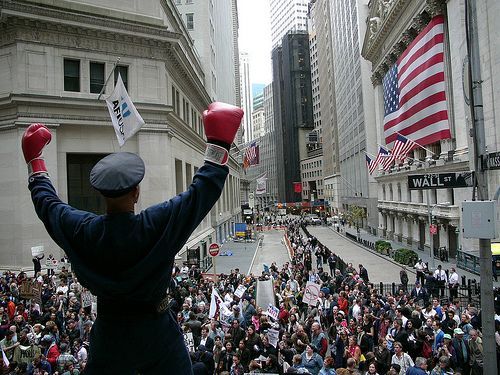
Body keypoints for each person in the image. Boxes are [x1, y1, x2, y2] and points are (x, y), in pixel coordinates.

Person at [22, 102, 243, 374]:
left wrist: (36, 162)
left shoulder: (83, 230)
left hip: (109, 339)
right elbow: (201, 192)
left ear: (102, 195)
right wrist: (219, 142)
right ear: (136, 193)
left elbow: (48, 205)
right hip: (158, 338)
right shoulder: (154, 225)